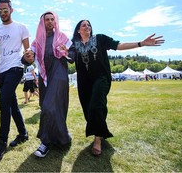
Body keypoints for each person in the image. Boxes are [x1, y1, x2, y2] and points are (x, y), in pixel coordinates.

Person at [70, 19, 165, 156]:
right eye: (83, 25)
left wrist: (141, 43)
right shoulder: (75, 45)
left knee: (97, 104)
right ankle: (99, 131)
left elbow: (119, 45)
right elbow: (69, 57)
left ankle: (98, 139)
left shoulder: (100, 38)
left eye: (89, 24)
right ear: (78, 30)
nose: (87, 26)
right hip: (84, 82)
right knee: (88, 108)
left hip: (101, 78)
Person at [0, 0, 34, 162]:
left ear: (11, 10)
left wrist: (28, 54)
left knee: (4, 100)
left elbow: (27, 49)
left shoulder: (21, 27)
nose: (2, 13)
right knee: (12, 102)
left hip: (16, 67)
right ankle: (23, 133)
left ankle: (1, 144)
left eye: (5, 10)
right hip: (2, 71)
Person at [28, 11, 73, 158]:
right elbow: (28, 58)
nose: (49, 21)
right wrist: (26, 57)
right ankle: (62, 138)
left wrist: (68, 53)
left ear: (55, 21)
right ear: (42, 22)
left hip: (59, 75)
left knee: (49, 106)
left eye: (52, 19)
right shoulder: (37, 41)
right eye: (46, 19)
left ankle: (45, 143)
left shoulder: (62, 37)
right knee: (49, 106)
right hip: (44, 76)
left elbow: (73, 57)